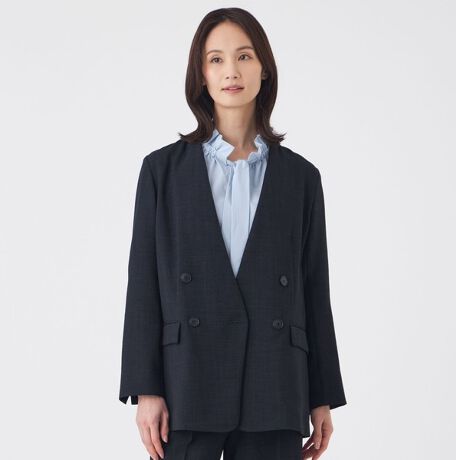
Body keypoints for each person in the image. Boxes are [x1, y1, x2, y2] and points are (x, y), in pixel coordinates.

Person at [119, 7, 347, 460]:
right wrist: (146, 389)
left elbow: (313, 288)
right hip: (186, 382)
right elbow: (143, 284)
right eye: (216, 59)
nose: (231, 71)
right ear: (201, 75)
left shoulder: (302, 178)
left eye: (244, 56)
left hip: (276, 380)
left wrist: (321, 394)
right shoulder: (161, 171)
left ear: (264, 68)